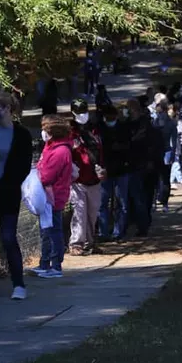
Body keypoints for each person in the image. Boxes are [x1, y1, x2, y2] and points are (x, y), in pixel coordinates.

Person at [0, 91, 32, 300]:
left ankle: (18, 284)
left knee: (8, 237)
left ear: (8, 109)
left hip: (8, 191)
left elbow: (24, 165)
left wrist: (8, 181)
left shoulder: (21, 134)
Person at [34, 116, 73, 278]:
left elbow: (47, 175)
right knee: (45, 231)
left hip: (54, 197)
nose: (43, 132)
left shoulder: (60, 151)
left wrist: (36, 177)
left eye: (46, 129)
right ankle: (45, 263)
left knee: (53, 231)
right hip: (47, 196)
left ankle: (56, 266)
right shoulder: (50, 147)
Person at [68, 99, 103, 256]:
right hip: (78, 180)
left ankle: (90, 241)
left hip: (95, 178)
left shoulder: (93, 130)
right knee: (79, 212)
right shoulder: (70, 132)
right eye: (79, 111)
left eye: (84, 110)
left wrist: (103, 167)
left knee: (93, 212)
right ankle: (76, 243)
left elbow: (100, 151)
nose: (83, 114)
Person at [97, 104, 131, 241]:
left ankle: (118, 232)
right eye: (107, 117)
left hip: (121, 170)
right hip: (106, 170)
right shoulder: (100, 129)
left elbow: (129, 147)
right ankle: (103, 232)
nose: (109, 119)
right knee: (102, 203)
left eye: (111, 117)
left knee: (121, 203)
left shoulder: (123, 129)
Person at [125, 99, 155, 236]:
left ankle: (143, 225)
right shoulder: (127, 124)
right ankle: (138, 221)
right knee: (136, 197)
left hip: (142, 165)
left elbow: (143, 142)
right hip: (132, 164)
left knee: (141, 197)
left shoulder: (144, 125)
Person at [157, 102, 179, 211]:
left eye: (160, 112)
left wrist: (173, 153)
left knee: (164, 178)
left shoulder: (169, 123)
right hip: (161, 153)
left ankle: (163, 200)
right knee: (162, 178)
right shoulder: (156, 123)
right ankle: (162, 200)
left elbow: (174, 141)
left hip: (165, 152)